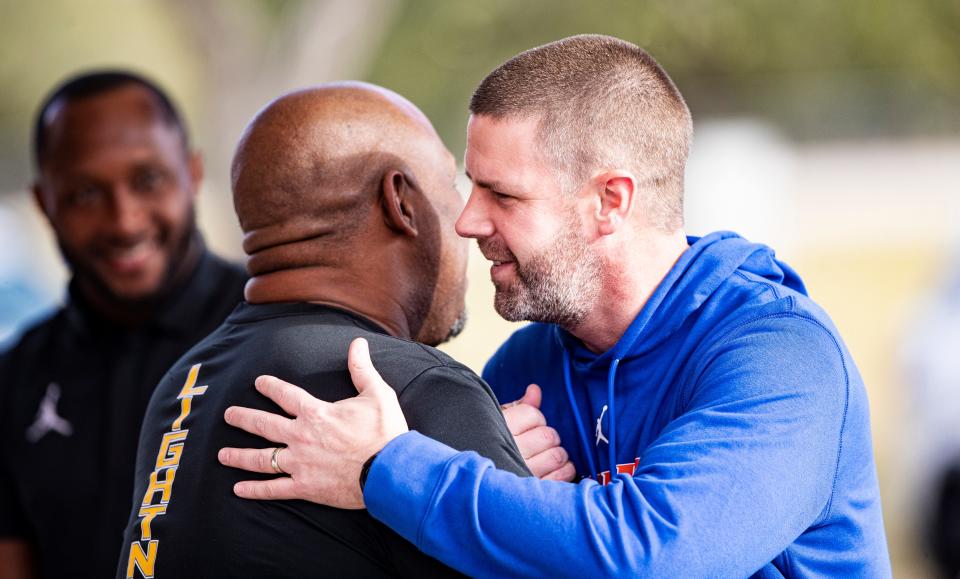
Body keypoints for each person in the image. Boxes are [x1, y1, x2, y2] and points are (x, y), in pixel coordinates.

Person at [218, 35, 892, 577]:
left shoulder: (781, 355)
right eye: (469, 187)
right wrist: (503, 482)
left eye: (503, 195)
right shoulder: (526, 365)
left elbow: (651, 554)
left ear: (610, 201)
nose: (467, 221)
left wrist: (387, 467)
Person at [116, 82, 529, 578]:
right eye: (451, 186)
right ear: (400, 200)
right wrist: (508, 504)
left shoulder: (184, 385)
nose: (466, 224)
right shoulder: (405, 391)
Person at [0, 71, 247, 579]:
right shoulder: (14, 380)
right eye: (86, 193)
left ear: (194, 173)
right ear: (45, 203)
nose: (125, 221)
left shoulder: (280, 330)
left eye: (148, 180)